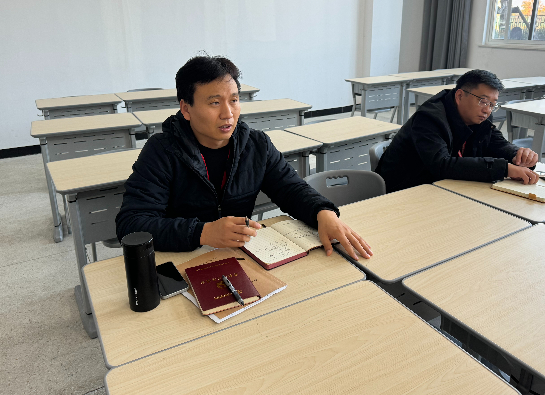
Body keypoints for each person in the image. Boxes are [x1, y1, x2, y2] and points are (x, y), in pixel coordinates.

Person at [116, 55, 372, 260]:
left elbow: (291, 188)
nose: (228, 113)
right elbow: (131, 224)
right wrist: (202, 232)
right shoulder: (162, 151)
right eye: (214, 103)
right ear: (186, 108)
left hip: (239, 256)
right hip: (180, 258)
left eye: (234, 100)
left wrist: (323, 212)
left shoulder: (256, 145)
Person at [375, 69, 539, 193]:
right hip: (407, 191)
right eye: (483, 101)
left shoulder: (479, 115)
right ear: (460, 96)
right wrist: (503, 169)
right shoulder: (429, 118)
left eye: (492, 104)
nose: (487, 110)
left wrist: (517, 154)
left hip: (445, 188)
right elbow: (442, 165)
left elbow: (497, 143)